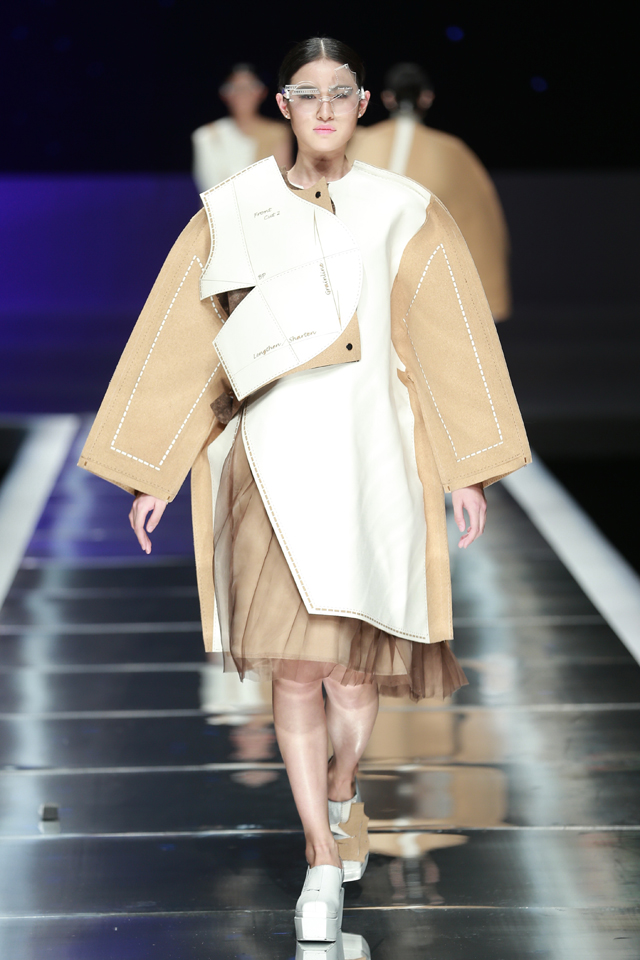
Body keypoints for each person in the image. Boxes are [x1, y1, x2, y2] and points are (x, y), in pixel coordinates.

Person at [78, 37, 530, 942]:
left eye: (340, 93)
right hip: (271, 460)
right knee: (295, 670)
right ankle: (320, 861)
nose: (325, 109)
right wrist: (156, 466)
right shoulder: (234, 211)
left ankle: (344, 790)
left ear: (362, 105)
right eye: (308, 94)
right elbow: (190, 338)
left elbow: (447, 337)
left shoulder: (404, 210)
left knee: (355, 678)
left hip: (372, 460)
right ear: (284, 106)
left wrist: (467, 466)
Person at [348, 62, 512, 320]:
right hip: (431, 288)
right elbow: (480, 226)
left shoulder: (358, 144)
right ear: (426, 97)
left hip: (365, 288)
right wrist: (489, 298)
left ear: (388, 98)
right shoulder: (453, 152)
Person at [191, 63, 292, 193]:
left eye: (250, 87)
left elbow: (282, 184)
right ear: (224, 94)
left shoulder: (277, 133)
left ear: (262, 92)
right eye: (235, 88)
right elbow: (210, 187)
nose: (243, 94)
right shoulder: (207, 135)